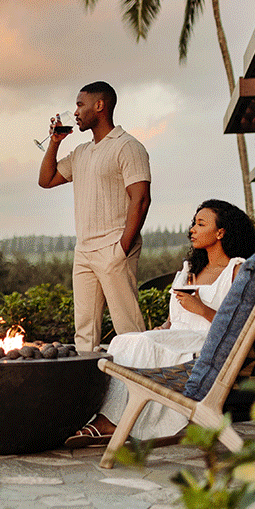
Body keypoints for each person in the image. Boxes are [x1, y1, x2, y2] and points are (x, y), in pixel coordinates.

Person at [64, 199, 255, 448]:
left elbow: (242, 325)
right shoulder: (190, 269)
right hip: (177, 338)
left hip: (206, 345)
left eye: (201, 224)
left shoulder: (237, 270)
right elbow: (174, 317)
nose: (192, 229)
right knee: (123, 341)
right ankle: (112, 417)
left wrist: (201, 308)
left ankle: (110, 423)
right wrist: (165, 327)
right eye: (194, 223)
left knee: (141, 344)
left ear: (221, 232)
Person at [38, 81, 151, 352]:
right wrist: (54, 143)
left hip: (114, 247)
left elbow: (141, 199)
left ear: (99, 105)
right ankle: (86, 380)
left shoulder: (127, 146)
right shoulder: (81, 152)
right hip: (84, 251)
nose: (75, 112)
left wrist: (122, 248)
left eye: (80, 105)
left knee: (128, 329)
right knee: (84, 334)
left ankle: (143, 378)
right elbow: (46, 180)